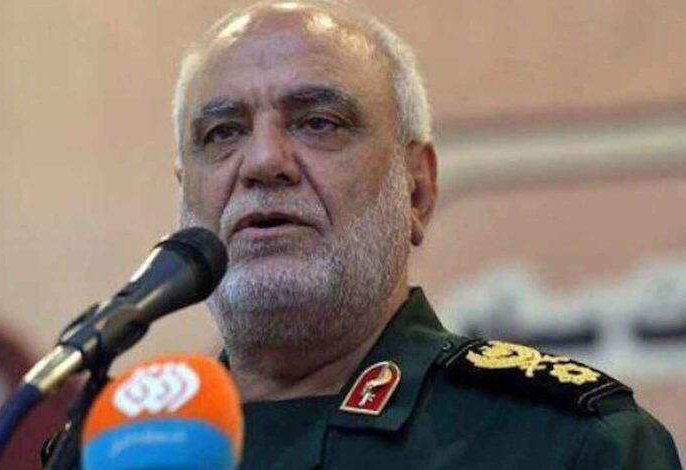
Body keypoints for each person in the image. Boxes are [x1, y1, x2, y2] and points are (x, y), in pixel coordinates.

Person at [40, 1, 681, 468]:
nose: (263, 162)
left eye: (318, 122)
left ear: (417, 191)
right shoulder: (103, 453)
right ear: (186, 195)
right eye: (223, 132)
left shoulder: (568, 445)